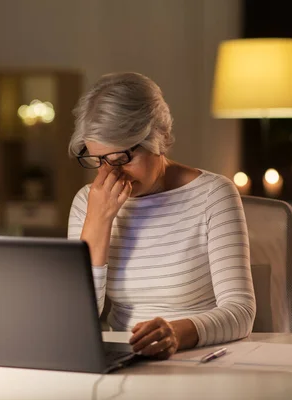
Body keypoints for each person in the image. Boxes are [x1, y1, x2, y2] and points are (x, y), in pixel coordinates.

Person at [67, 72, 255, 360]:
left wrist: (176, 334)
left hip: (201, 358)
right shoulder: (88, 202)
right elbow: (76, 320)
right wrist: (98, 221)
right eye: (98, 161)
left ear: (160, 139)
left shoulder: (213, 195)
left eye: (122, 159)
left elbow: (240, 312)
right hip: (124, 359)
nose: (110, 174)